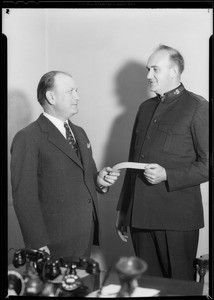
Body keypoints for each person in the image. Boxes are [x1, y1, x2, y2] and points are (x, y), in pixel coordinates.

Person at [116, 45, 209, 281]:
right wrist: (124, 210)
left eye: (155, 69)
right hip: (140, 218)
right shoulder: (145, 109)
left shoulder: (198, 107)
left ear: (174, 72)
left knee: (178, 287)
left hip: (177, 221)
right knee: (146, 285)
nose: (148, 75)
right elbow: (133, 161)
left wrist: (168, 175)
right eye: (148, 69)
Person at [10, 70, 120, 260]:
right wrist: (37, 244)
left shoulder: (80, 133)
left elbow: (87, 176)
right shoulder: (27, 137)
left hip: (84, 237)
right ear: (51, 97)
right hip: (53, 243)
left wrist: (100, 180)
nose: (77, 97)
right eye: (71, 91)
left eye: (76, 91)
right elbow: (24, 196)